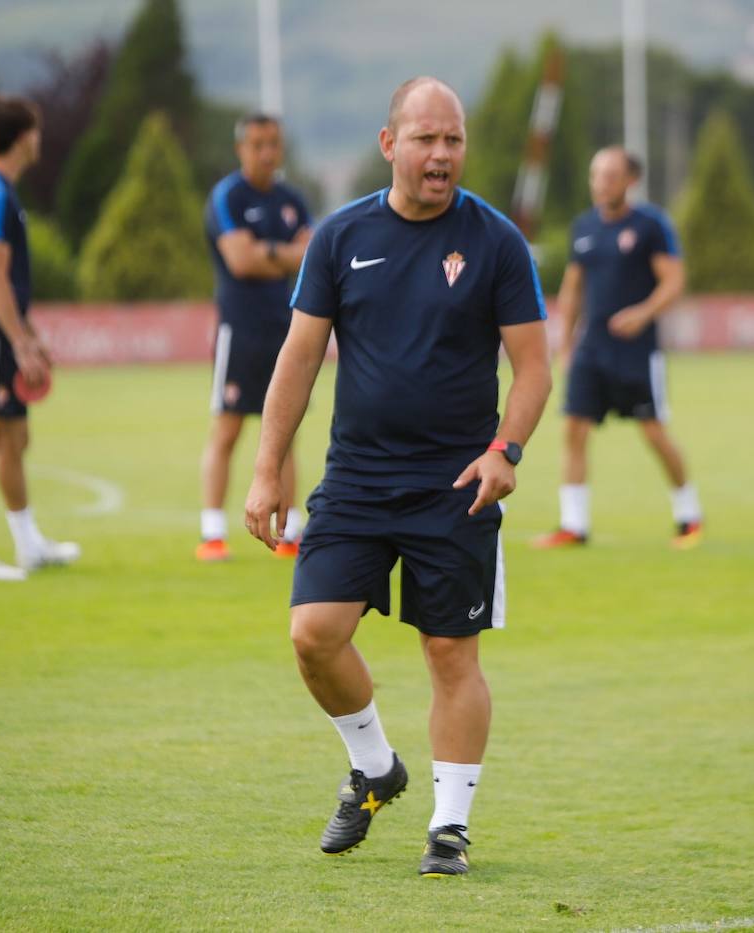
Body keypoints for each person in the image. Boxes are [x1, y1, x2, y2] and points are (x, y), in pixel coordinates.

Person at [244, 77, 550, 877]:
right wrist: (266, 468)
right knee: (313, 632)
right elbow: (299, 359)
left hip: (458, 484)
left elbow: (534, 370)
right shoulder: (341, 237)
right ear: (390, 145)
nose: (441, 154)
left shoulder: (496, 242)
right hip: (357, 479)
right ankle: (376, 765)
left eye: (453, 140)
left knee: (452, 654)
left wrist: (505, 451)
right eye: (425, 139)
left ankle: (450, 828)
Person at [533, 146, 702, 551]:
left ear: (631, 181)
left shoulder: (650, 226)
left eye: (611, 175)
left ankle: (689, 517)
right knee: (573, 429)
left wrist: (642, 314)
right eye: (596, 175)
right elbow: (573, 289)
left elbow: (674, 282)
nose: (601, 183)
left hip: (637, 353)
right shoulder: (584, 228)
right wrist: (565, 343)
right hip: (592, 351)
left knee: (653, 432)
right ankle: (574, 525)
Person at [0, 93, 79, 581]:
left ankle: (28, 544)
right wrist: (20, 342)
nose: (38, 138)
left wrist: (29, 335)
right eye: (35, 130)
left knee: (14, 436)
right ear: (24, 137)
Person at [199, 113, 313, 562]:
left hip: (286, 331)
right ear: (242, 149)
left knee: (286, 432)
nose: (268, 152)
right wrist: (281, 254)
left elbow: (309, 259)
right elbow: (241, 261)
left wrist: (266, 252)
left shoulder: (293, 200)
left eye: (274, 143)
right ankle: (212, 533)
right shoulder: (227, 197)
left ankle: (289, 533)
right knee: (228, 429)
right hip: (239, 330)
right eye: (259, 144)